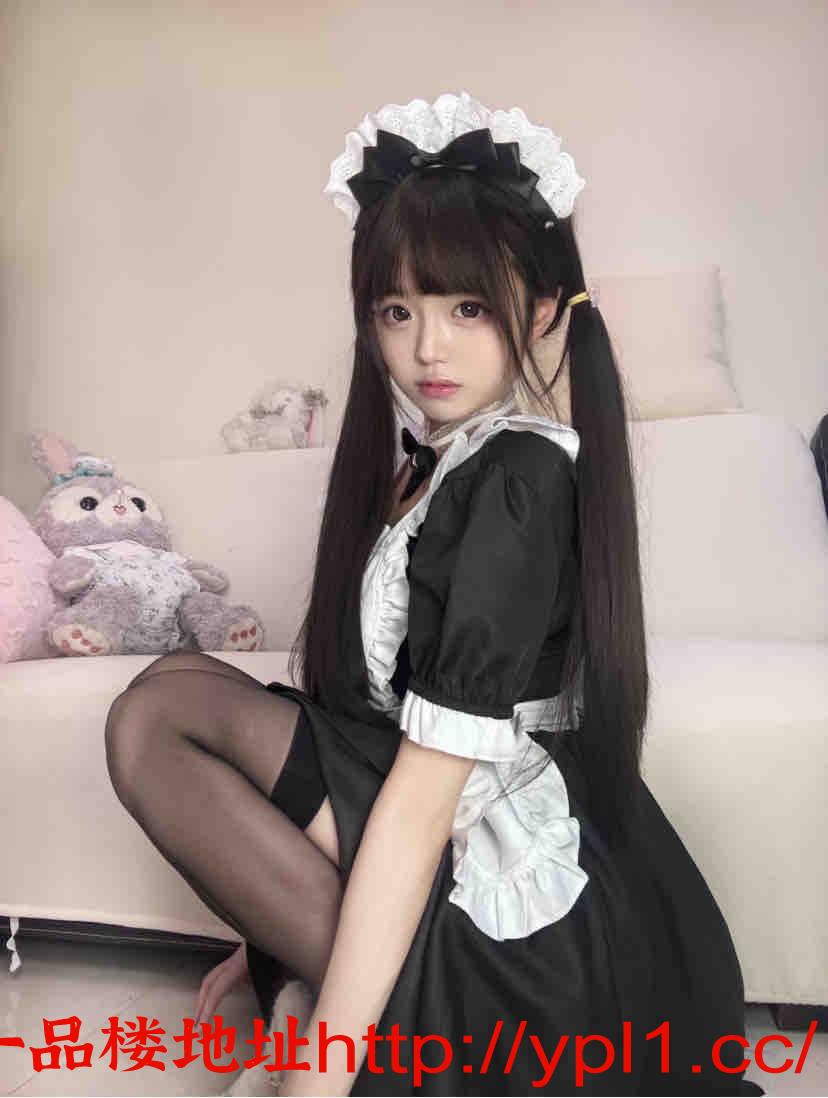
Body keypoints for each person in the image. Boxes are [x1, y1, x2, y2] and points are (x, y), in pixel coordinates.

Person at [104, 91, 763, 1096]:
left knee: (157, 719)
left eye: (467, 308)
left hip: (513, 895)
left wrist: (317, 1078)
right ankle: (321, 988)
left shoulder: (517, 477)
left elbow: (421, 797)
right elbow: (359, 719)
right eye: (396, 311)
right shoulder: (439, 463)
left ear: (541, 310)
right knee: (173, 685)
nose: (427, 348)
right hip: (442, 803)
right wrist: (265, 925)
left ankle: (359, 1027)